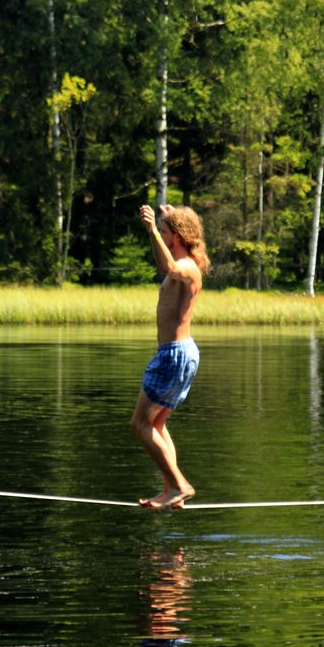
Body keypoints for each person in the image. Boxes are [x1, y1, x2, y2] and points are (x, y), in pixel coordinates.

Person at [131, 203, 210, 511]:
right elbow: (164, 264)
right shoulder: (183, 262)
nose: (162, 236)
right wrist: (164, 223)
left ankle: (178, 484)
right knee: (158, 425)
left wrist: (153, 228)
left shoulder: (187, 267)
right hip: (178, 354)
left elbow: (171, 269)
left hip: (173, 355)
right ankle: (171, 489)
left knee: (140, 424)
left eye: (166, 233)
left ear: (176, 236)